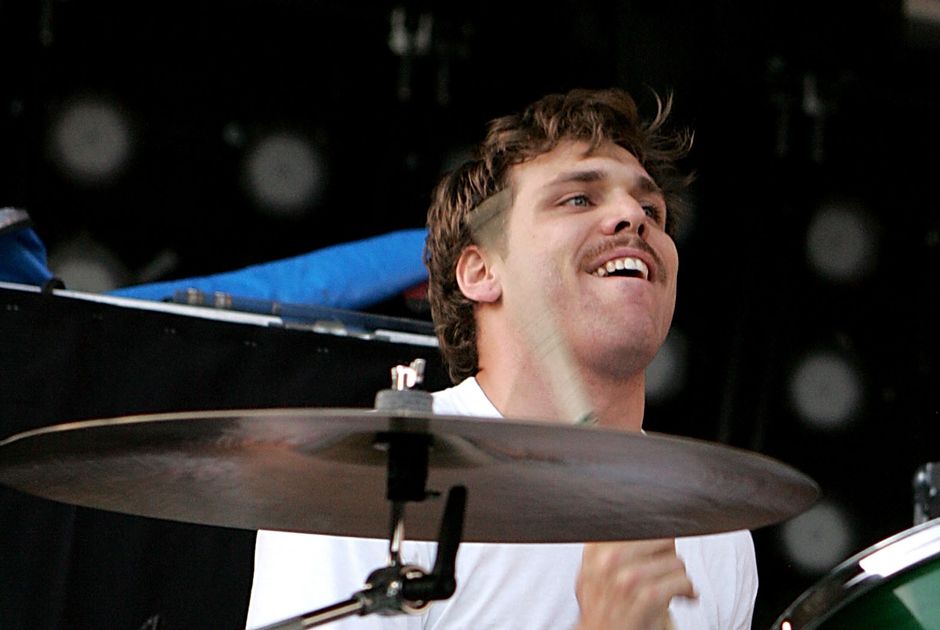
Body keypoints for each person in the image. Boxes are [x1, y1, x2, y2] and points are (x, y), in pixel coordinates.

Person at [246, 88, 758, 629]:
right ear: (481, 271)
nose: (633, 215)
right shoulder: (359, 483)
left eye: (651, 208)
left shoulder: (715, 529)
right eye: (578, 199)